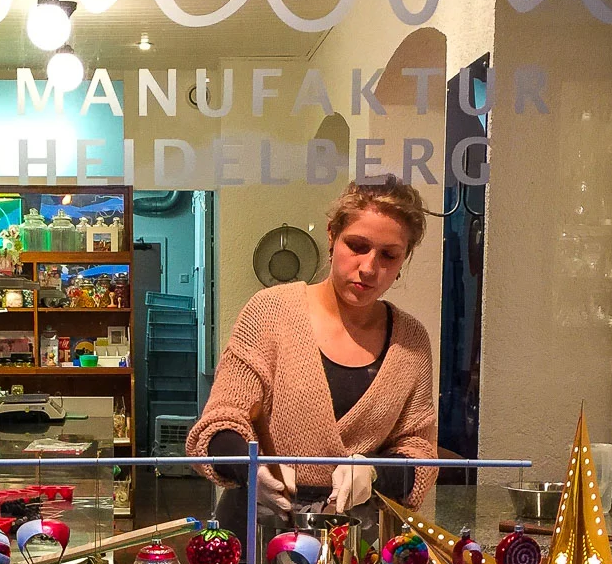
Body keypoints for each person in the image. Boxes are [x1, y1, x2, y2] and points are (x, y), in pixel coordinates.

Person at [186, 176, 438, 524]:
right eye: (357, 246)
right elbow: (219, 423)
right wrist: (251, 468)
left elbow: (419, 449)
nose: (368, 267)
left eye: (389, 256)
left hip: (354, 540)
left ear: (403, 260)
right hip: (259, 527)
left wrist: (376, 473)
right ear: (332, 235)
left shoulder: (410, 341)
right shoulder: (270, 312)